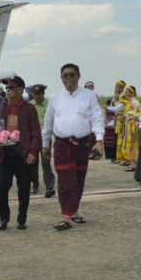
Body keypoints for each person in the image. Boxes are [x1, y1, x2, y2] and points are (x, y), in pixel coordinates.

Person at [42, 63, 106, 231]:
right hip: (62, 144)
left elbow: (96, 117)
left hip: (82, 144)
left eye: (72, 75)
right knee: (65, 180)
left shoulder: (89, 96)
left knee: (78, 180)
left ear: (78, 76)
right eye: (65, 75)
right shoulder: (55, 97)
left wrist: (99, 140)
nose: (69, 78)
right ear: (61, 78)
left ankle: (74, 210)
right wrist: (45, 144)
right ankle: (65, 215)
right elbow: (48, 121)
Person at [0, 76, 41, 231]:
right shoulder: (1, 108)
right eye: (7, 88)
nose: (8, 91)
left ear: (21, 90)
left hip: (23, 155)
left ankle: (22, 219)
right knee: (1, 188)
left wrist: (33, 151)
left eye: (12, 88)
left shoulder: (29, 109)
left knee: (24, 189)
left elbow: (36, 133)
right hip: (5, 154)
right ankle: (4, 218)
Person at [28, 84, 56, 198]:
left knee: (46, 163)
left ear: (43, 94)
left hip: (45, 139)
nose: (37, 96)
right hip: (32, 139)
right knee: (32, 163)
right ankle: (35, 184)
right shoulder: (29, 105)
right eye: (35, 94)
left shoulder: (50, 105)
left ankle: (49, 187)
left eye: (39, 94)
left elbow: (54, 121)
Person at [104, 80, 126, 163]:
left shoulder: (123, 100)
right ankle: (109, 156)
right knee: (109, 139)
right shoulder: (110, 100)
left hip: (119, 121)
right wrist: (106, 121)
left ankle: (116, 157)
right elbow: (106, 110)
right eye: (116, 86)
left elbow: (122, 110)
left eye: (120, 87)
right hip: (110, 122)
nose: (118, 88)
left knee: (117, 139)